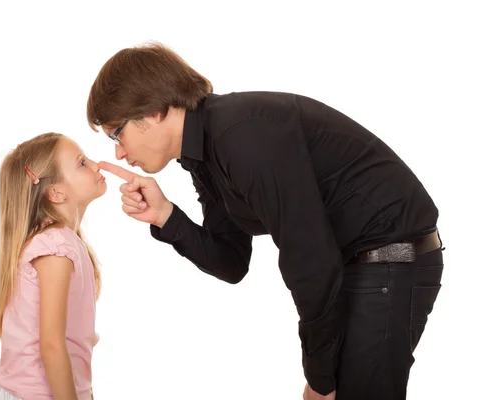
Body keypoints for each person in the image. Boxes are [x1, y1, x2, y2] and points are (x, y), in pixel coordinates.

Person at [86, 42, 444, 400]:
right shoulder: (203, 155)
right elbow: (231, 262)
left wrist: (321, 380)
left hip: (389, 258)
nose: (118, 151)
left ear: (153, 112)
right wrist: (166, 216)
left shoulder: (240, 135)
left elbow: (309, 259)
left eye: (117, 133)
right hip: (357, 265)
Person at [0, 132, 106, 400]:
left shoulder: (63, 241)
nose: (96, 165)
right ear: (56, 193)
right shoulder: (55, 247)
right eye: (82, 163)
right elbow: (52, 346)